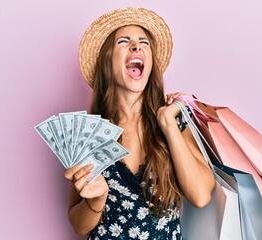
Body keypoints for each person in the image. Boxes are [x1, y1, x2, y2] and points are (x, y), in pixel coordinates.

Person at [64, 7, 215, 239]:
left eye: (143, 42)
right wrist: (95, 201)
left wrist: (167, 123)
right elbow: (79, 225)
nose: (136, 46)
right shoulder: (89, 133)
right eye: (123, 41)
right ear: (107, 61)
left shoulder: (174, 121)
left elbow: (201, 195)